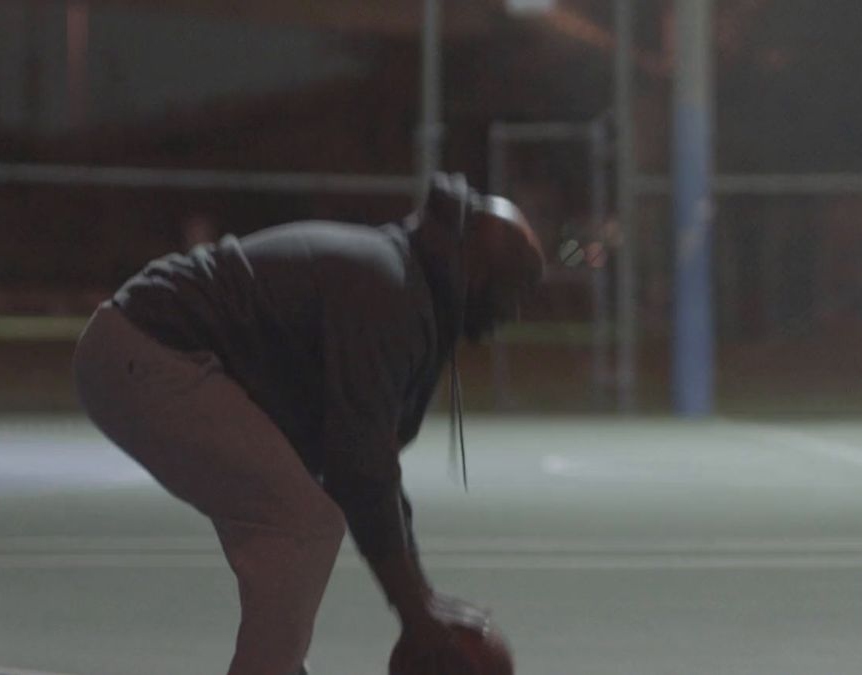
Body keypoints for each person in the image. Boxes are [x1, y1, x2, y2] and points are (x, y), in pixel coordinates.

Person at [72, 173, 545, 675]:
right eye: (511, 291)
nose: (512, 312)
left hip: (148, 351)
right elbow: (359, 466)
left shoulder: (408, 283)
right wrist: (413, 611)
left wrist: (421, 598)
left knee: (288, 528)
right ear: (474, 271)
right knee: (301, 522)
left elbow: (374, 461)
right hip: (148, 351)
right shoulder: (389, 291)